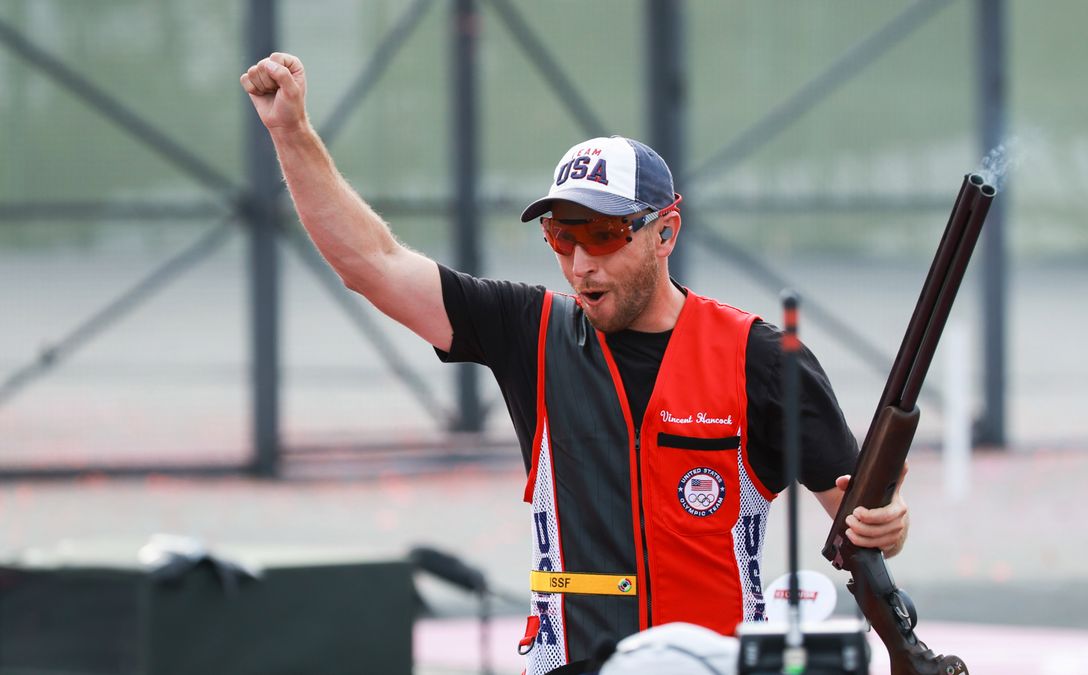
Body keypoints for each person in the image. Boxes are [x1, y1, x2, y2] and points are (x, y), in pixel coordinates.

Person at [240, 52, 910, 675]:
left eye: (604, 233)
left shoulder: (758, 356)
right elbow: (375, 266)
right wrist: (291, 133)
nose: (581, 262)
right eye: (562, 236)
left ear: (666, 232)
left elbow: (857, 519)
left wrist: (883, 520)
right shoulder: (526, 331)